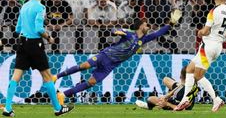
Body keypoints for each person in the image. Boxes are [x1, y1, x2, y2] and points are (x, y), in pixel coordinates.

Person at [53, 10, 182, 105]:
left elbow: (159, 33)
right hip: (105, 55)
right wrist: (117, 31)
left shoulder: (144, 40)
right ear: (141, 26)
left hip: (111, 65)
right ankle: (56, 76)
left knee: (91, 82)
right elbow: (113, 30)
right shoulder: (129, 34)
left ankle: (63, 95)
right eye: (146, 24)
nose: (148, 27)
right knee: (84, 66)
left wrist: (170, 23)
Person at [2, 0, 74, 117]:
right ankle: (58, 109)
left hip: (22, 43)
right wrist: (49, 38)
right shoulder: (40, 7)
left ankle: (8, 108)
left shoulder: (24, 6)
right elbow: (39, 29)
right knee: (47, 77)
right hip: (35, 44)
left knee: (16, 76)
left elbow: (17, 29)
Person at [174, 0, 226, 112]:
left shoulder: (214, 11)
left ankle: (216, 99)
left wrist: (200, 32)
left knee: (198, 75)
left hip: (208, 46)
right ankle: (185, 100)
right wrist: (219, 35)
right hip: (217, 46)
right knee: (190, 69)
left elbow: (205, 31)